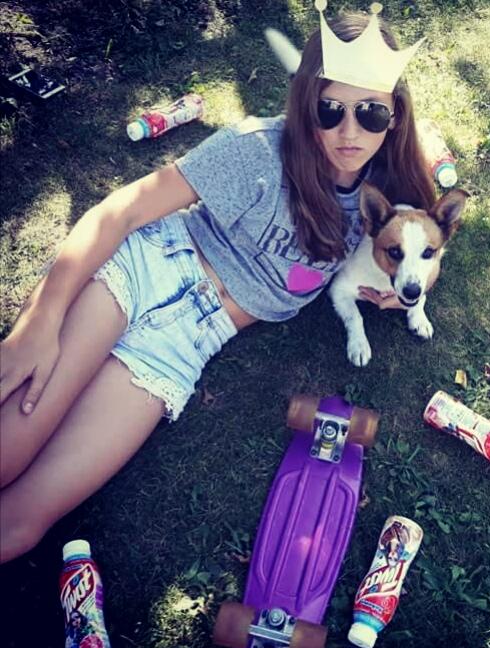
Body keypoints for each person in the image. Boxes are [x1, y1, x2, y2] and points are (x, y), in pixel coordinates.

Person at [0, 4, 436, 563]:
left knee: (22, 522)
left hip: (186, 344)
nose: (349, 132)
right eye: (329, 110)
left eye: (370, 113)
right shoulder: (256, 149)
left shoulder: (391, 201)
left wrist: (397, 289)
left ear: (395, 115)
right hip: (151, 268)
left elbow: (426, 253)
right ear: (306, 103)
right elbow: (121, 212)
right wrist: (40, 322)